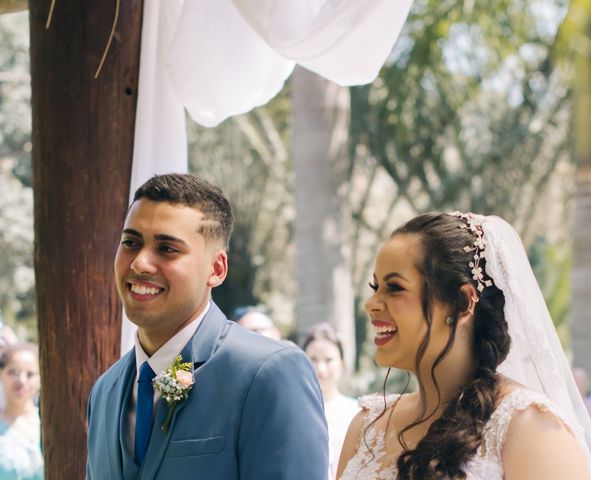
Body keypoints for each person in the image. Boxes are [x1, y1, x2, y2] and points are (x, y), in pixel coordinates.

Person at [86, 174, 328, 479]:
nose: (140, 264)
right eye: (131, 243)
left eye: (167, 248)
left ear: (216, 269)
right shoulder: (104, 392)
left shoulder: (269, 374)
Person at [337, 212, 591, 480]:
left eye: (394, 287)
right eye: (375, 288)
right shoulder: (367, 426)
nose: (371, 304)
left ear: (462, 302)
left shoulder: (530, 428)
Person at [303, 323, 359, 479]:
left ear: (342, 363)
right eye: (313, 359)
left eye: (328, 360)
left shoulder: (356, 411)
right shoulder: (293, 412)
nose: (321, 368)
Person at [0, 342, 43, 480]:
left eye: (30, 374)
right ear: (1, 374)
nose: (22, 380)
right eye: (14, 372)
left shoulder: (52, 424)